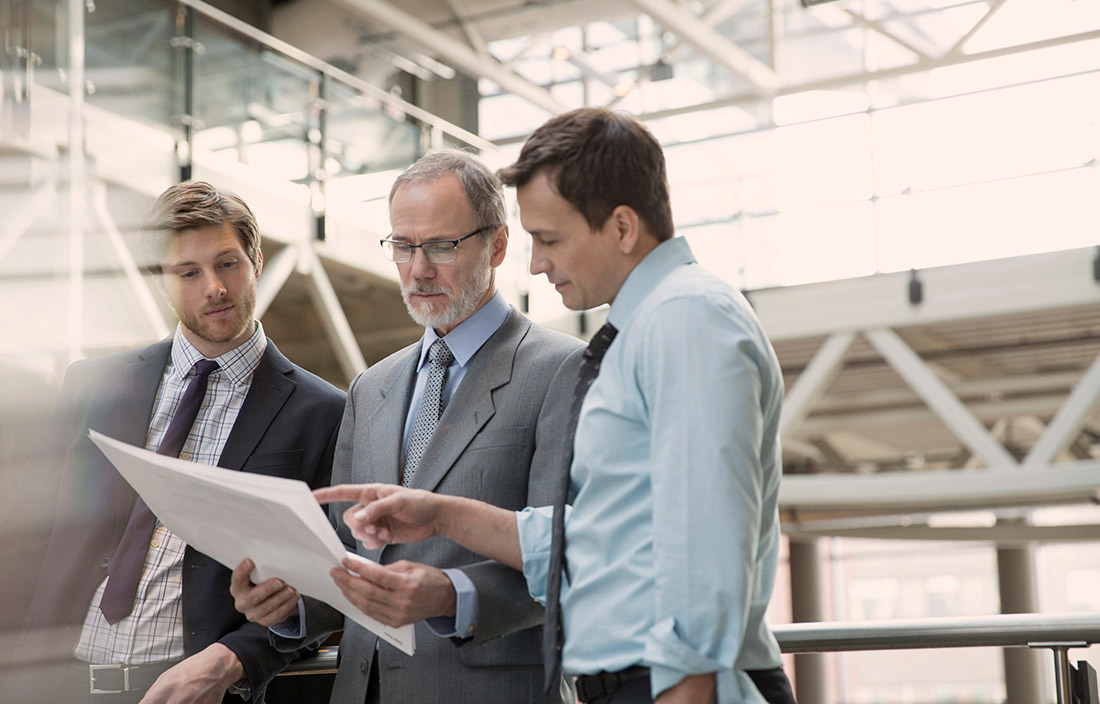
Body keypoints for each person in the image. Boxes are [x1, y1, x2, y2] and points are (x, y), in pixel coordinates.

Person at [316, 107, 797, 704]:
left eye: (550, 238)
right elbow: (594, 539)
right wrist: (441, 515)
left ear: (622, 227)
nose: (538, 261)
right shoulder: (649, 326)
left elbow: (706, 549)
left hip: (674, 683)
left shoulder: (686, 320)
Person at [230, 150, 582, 704]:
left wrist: (451, 595)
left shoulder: (562, 370)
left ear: (497, 245)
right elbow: (350, 557)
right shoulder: (371, 388)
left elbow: (570, 556)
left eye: (441, 246)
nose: (418, 269)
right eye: (402, 246)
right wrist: (291, 604)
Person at [0, 181, 346, 703]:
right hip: (52, 682)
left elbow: (328, 582)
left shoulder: (325, 413)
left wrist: (233, 662)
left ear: (256, 259)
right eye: (189, 272)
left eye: (228, 263)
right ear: (162, 281)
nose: (215, 288)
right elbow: (25, 539)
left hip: (190, 688)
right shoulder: (94, 383)